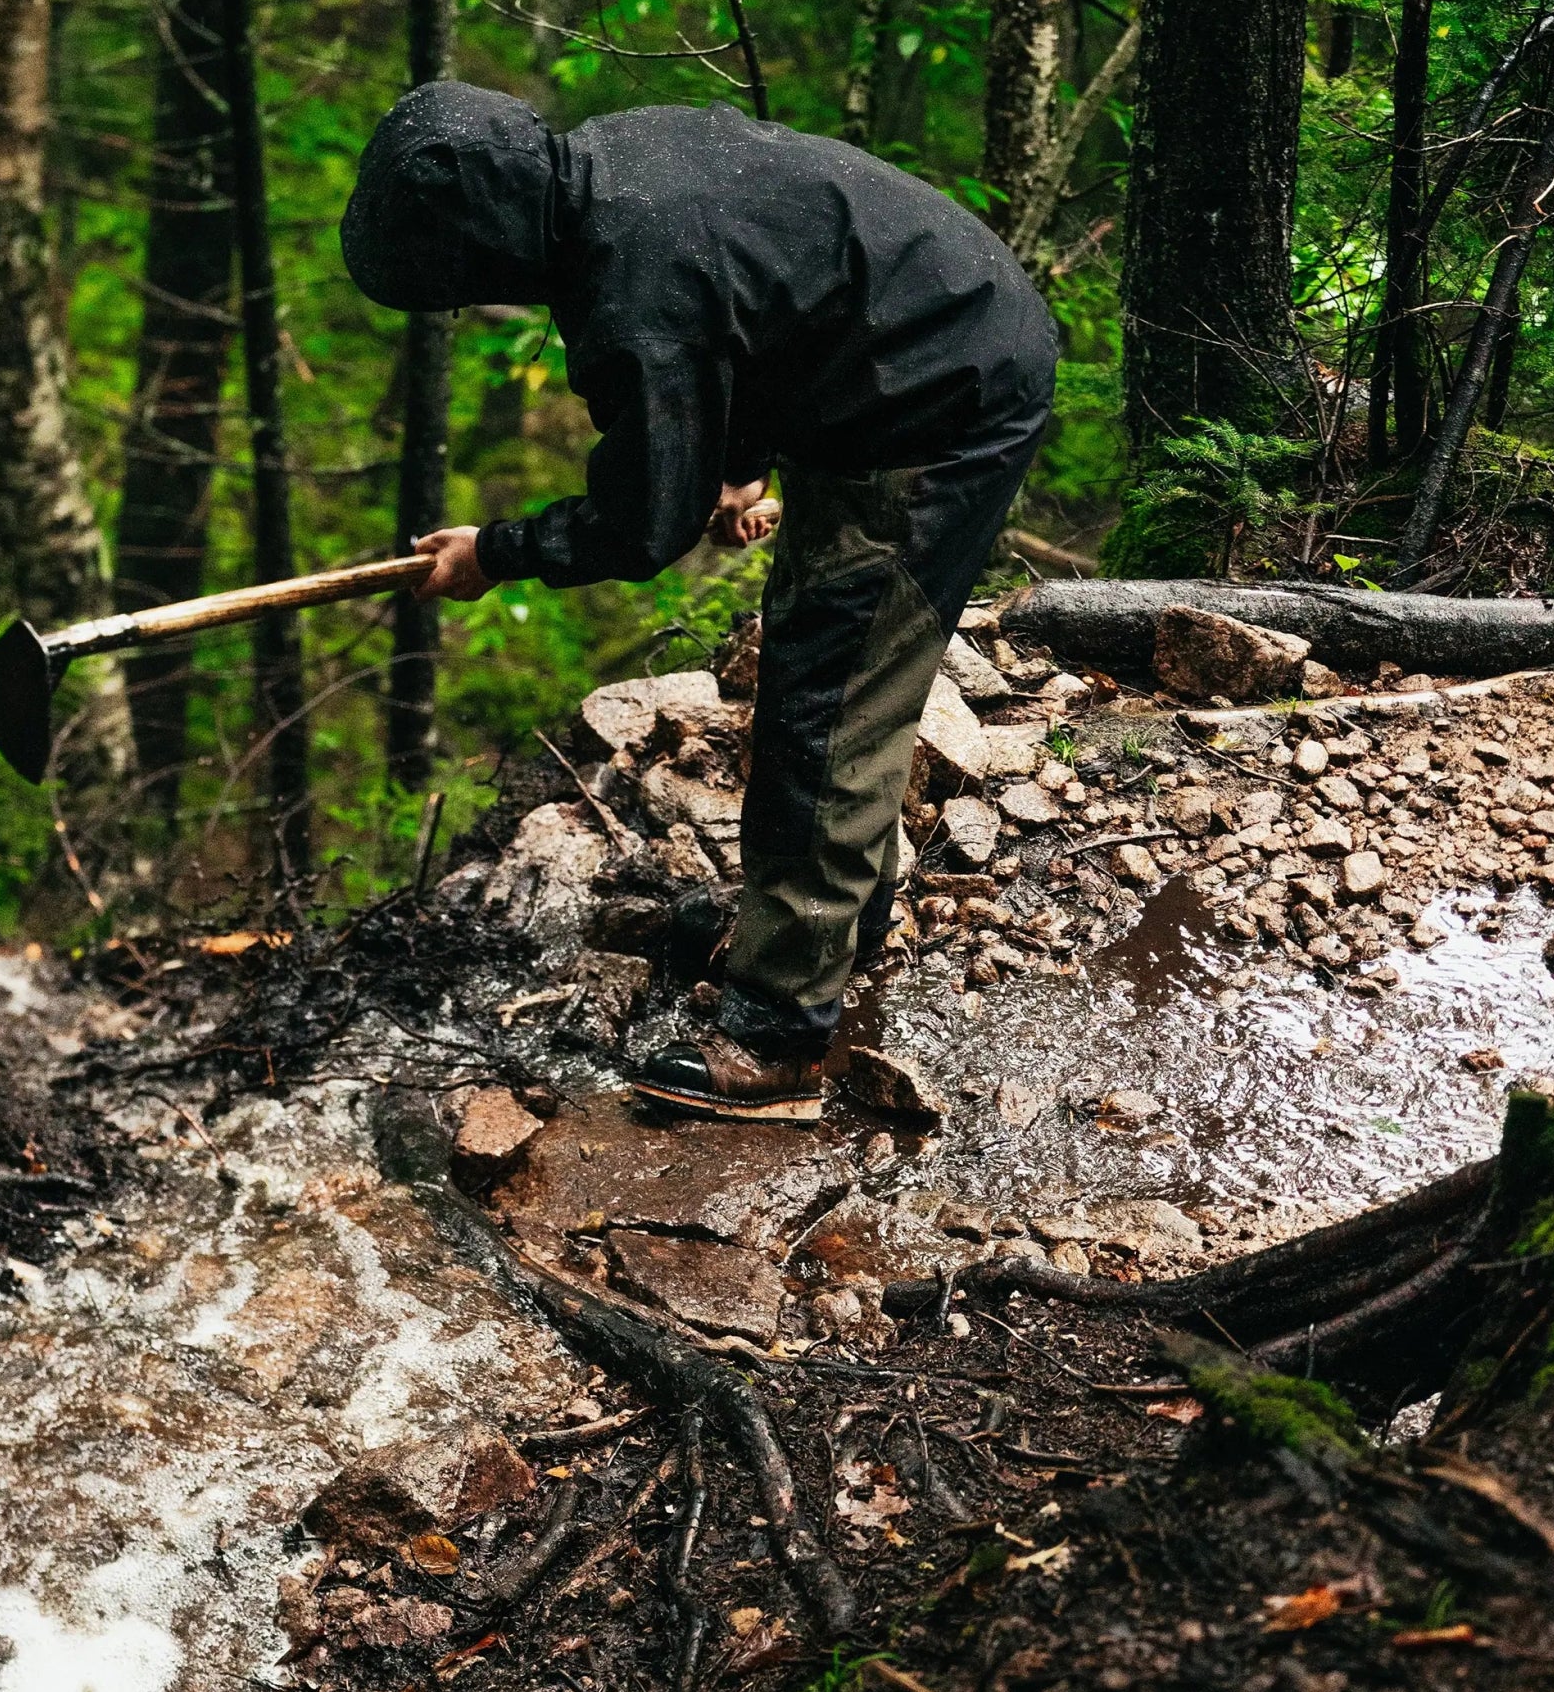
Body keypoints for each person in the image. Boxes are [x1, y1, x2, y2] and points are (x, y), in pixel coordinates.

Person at [340, 81, 1057, 1124]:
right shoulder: (616, 158)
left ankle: (779, 1030)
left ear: (475, 249)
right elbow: (765, 297)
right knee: (817, 675)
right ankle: (818, 926)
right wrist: (736, 461)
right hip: (903, 356)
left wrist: (496, 551)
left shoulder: (627, 292)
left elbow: (642, 524)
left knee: (828, 697)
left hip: (940, 400)